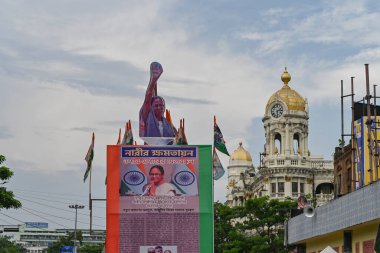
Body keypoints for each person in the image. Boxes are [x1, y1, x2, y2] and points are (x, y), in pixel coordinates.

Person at [139, 62, 175, 138]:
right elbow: (148, 97)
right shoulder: (147, 117)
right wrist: (153, 80)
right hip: (150, 149)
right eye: (156, 105)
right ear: (151, 107)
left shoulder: (168, 125)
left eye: (161, 105)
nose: (159, 107)